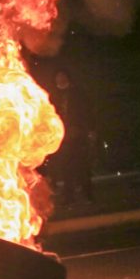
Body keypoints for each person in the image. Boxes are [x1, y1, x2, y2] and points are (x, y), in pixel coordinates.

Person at [51, 69, 95, 205]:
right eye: (58, 77)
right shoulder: (53, 96)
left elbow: (87, 111)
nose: (60, 79)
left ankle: (87, 195)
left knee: (82, 166)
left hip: (78, 135)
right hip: (62, 137)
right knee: (66, 168)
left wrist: (91, 130)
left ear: (67, 78)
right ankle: (69, 197)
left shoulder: (78, 94)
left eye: (62, 76)